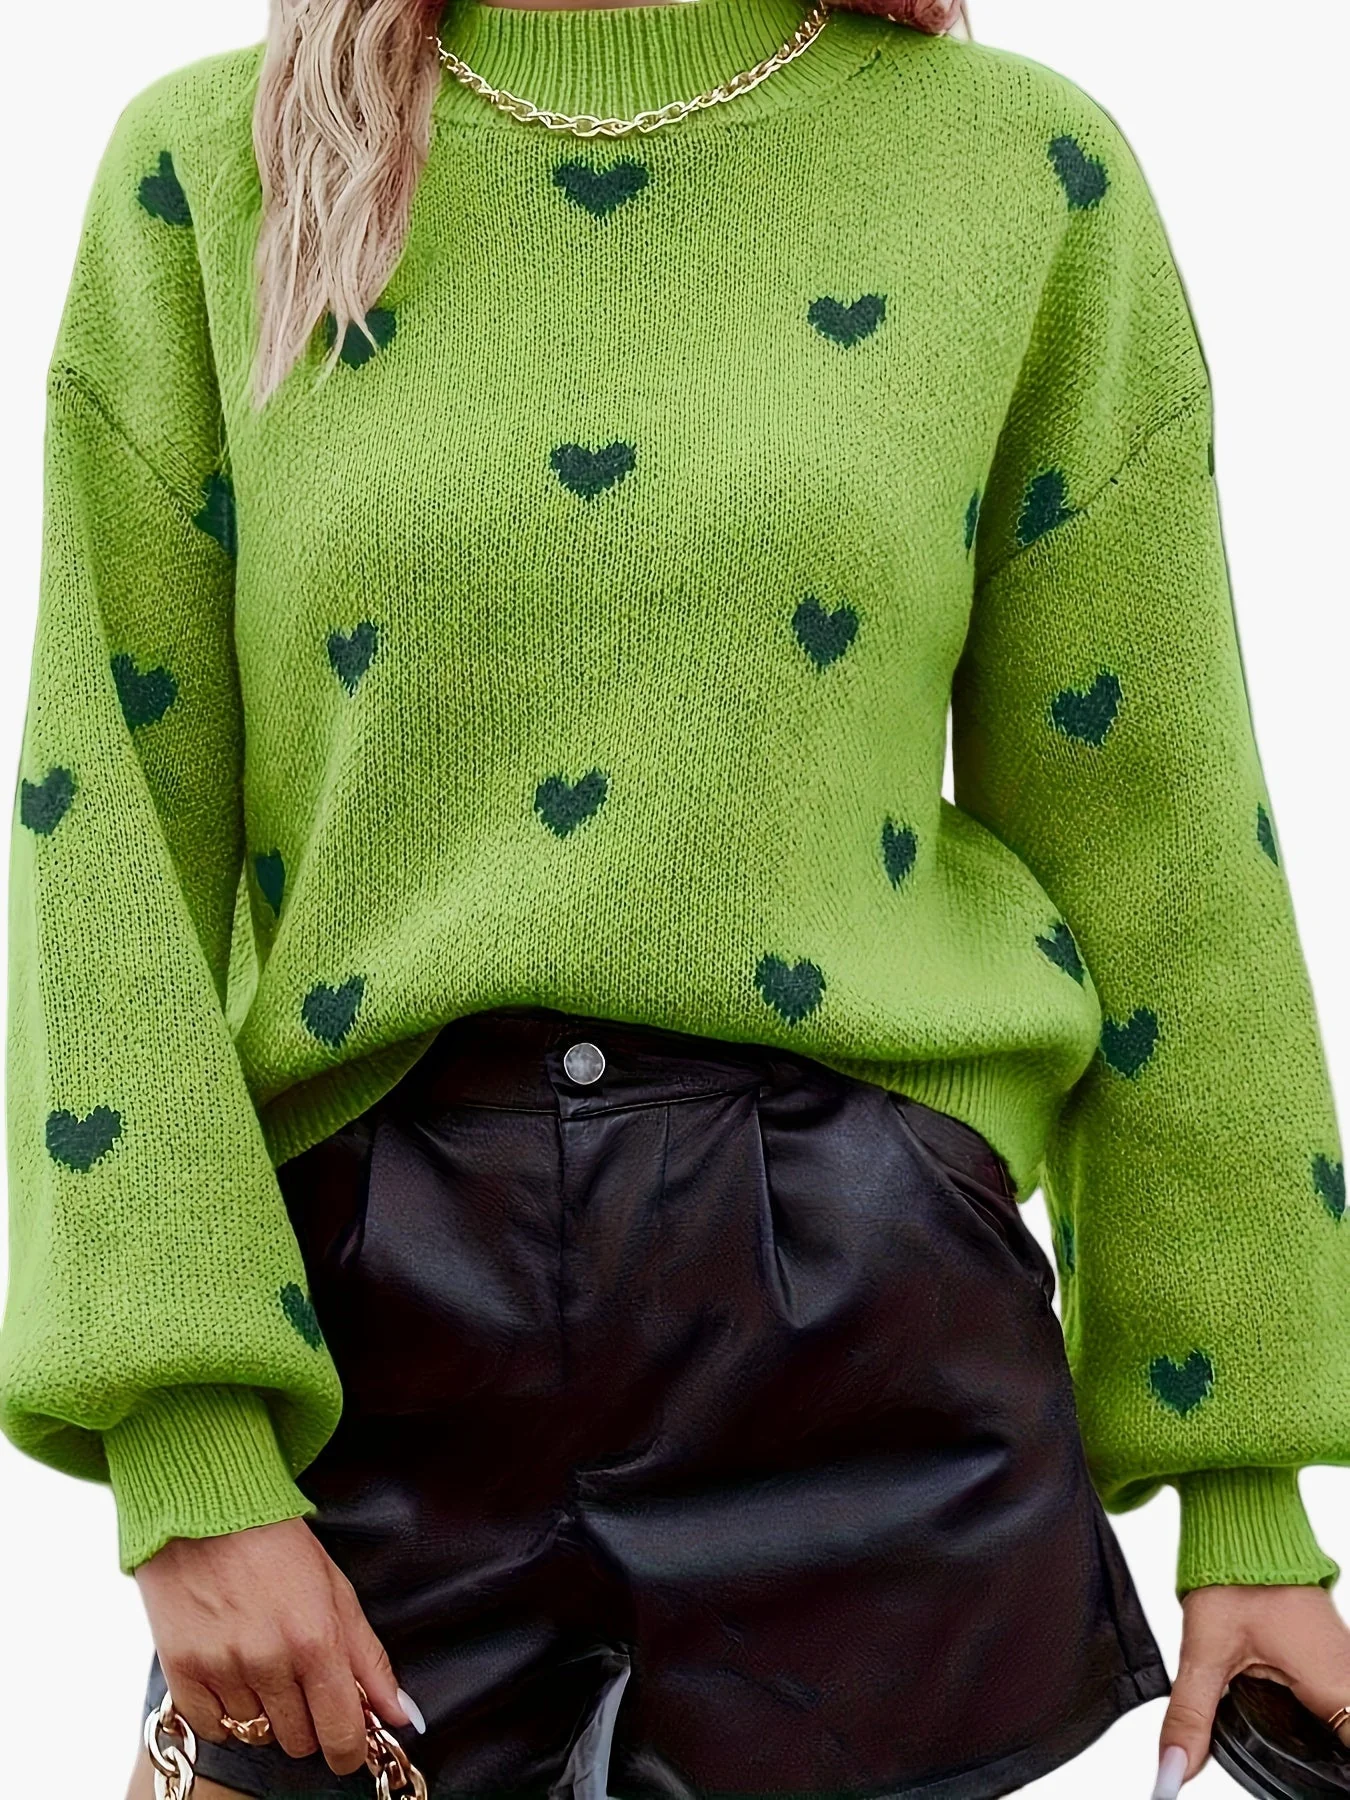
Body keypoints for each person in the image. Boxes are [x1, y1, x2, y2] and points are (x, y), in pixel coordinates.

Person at [2, 0, 1348, 1795]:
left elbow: (1160, 836)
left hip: (860, 1332)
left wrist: (1247, 1499)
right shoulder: (205, 167)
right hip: (369, 1335)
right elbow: (102, 835)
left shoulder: (1018, 171)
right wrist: (182, 1462)